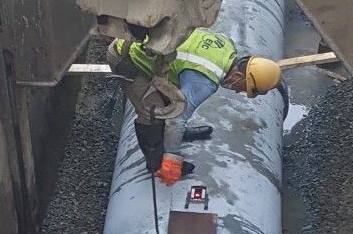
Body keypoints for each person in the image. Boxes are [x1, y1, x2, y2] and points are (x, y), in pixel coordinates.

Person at [107, 29, 282, 186]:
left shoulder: (226, 45)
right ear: (238, 75)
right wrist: (172, 157)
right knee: (153, 111)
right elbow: (176, 118)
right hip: (128, 57)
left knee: (173, 101)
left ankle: (175, 136)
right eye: (245, 88)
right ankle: (156, 163)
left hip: (148, 49)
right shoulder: (205, 81)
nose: (240, 92)